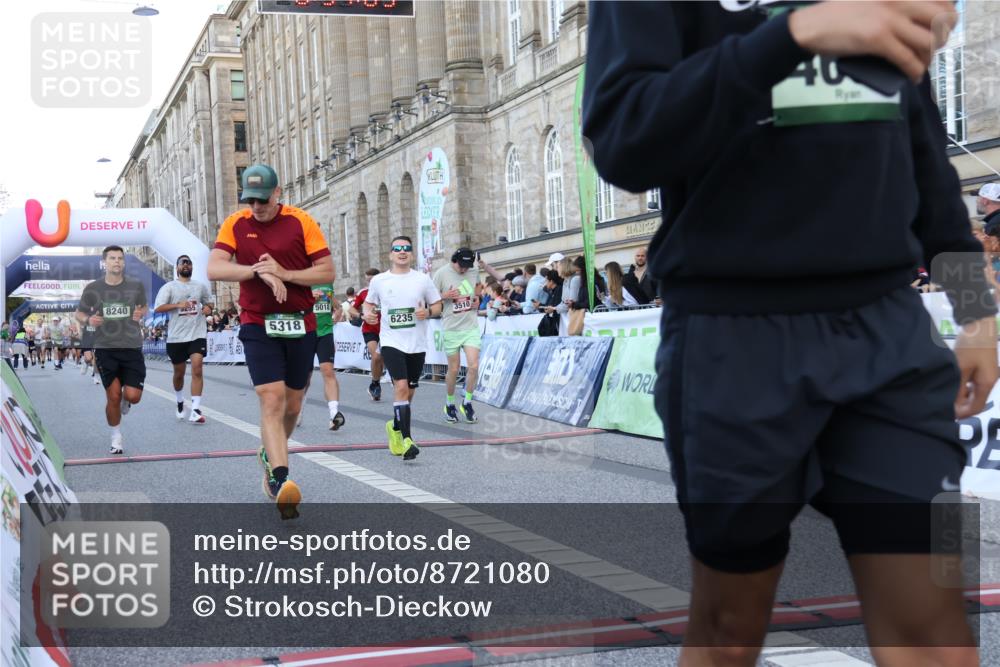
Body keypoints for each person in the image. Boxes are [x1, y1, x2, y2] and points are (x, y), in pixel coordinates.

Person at [584, 3, 997, 665]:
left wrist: (977, 311)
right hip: (731, 342)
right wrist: (796, 35)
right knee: (728, 630)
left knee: (936, 628)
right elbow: (624, 141)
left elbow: (927, 164)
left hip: (891, 339)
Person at [208, 163, 334, 520]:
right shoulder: (236, 224)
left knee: (293, 405)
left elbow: (327, 272)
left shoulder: (301, 222)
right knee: (271, 397)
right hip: (257, 322)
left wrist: (284, 272)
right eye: (250, 200)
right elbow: (215, 268)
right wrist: (258, 271)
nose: (256, 207)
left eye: (262, 200)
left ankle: (269, 453)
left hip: (300, 322)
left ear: (278, 193)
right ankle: (281, 479)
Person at [363, 236, 442, 459]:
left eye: (406, 248)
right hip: (391, 341)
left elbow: (437, 304)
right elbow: (368, 303)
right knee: (401, 386)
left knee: (410, 391)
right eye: (397, 248)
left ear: (412, 254)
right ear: (391, 254)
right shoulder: (380, 280)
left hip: (416, 343)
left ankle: (395, 427)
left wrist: (428, 312)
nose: (402, 251)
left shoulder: (422, 279)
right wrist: (367, 314)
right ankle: (407, 440)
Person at [75, 245, 149, 455]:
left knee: (133, 396)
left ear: (124, 262)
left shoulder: (135, 285)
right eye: (113, 258)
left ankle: (127, 400)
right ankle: (116, 436)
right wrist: (89, 320)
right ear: (104, 262)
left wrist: (141, 313)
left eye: (120, 258)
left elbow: (144, 306)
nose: (117, 261)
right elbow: (79, 314)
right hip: (106, 348)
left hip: (132, 347)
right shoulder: (93, 288)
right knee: (113, 396)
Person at [154, 254, 214, 424]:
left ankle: (195, 409)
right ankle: (180, 400)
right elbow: (158, 308)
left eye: (189, 263)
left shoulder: (200, 286)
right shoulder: (169, 287)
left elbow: (209, 303)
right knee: (179, 374)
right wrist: (178, 305)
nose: (186, 265)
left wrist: (208, 309)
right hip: (177, 337)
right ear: (177, 267)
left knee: (197, 368)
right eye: (183, 263)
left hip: (197, 334)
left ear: (192, 267)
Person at [433, 248, 482, 423]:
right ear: (454, 260)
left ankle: (467, 402)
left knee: (474, 366)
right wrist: (444, 295)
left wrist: (477, 298)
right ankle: (449, 403)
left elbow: (478, 287)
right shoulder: (441, 273)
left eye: (467, 266)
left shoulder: (473, 271)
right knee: (454, 369)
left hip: (470, 327)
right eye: (461, 266)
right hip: (451, 328)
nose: (464, 269)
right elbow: (431, 298)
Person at [305, 281, 346, 431]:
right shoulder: (301, 279)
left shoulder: (327, 282)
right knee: (305, 377)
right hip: (306, 333)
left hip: (325, 333)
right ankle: (298, 408)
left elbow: (335, 304)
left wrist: (338, 311)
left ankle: (334, 414)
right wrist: (309, 298)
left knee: (328, 371)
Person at [350, 268, 384, 401]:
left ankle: (378, 380)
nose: (369, 283)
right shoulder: (363, 292)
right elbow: (352, 309)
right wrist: (361, 316)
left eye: (372, 280)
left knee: (382, 358)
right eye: (367, 280)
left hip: (387, 330)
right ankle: (375, 384)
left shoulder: (386, 290)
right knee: (376, 356)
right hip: (370, 329)